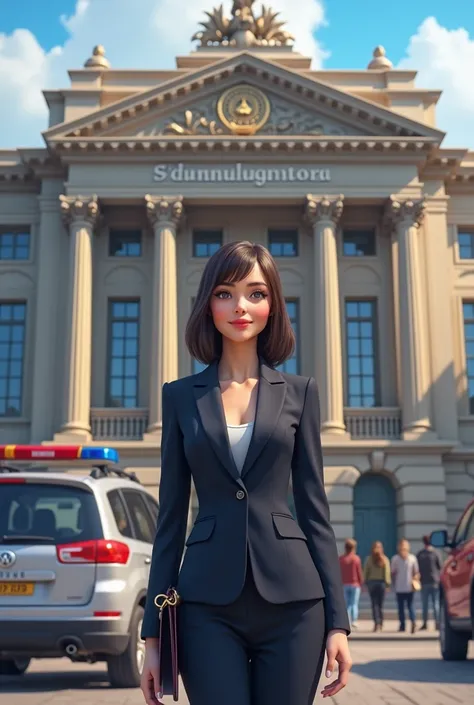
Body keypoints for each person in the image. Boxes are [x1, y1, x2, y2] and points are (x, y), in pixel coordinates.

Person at [140, 241, 352, 705]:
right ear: (208, 305)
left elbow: (315, 513)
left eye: (255, 293)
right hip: (205, 606)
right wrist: (152, 638)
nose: (240, 306)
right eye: (225, 293)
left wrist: (338, 622)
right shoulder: (180, 397)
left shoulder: (300, 393)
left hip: (295, 606)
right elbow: (170, 521)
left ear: (272, 305)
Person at [391, 539, 420, 634]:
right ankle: (413, 622)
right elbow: (416, 572)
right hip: (409, 586)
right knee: (410, 606)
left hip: (400, 587)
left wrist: (392, 583)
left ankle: (403, 625)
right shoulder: (412, 558)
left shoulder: (395, 559)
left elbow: (393, 573)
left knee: (401, 608)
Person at [363, 541, 391, 632]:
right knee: (380, 605)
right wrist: (387, 584)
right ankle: (381, 623)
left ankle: (376, 623)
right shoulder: (385, 559)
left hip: (372, 583)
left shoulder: (369, 559)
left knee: (374, 604)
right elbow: (386, 573)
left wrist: (365, 582)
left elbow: (366, 571)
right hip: (381, 583)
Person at [416, 535, 442, 630]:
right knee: (435, 604)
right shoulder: (435, 553)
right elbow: (440, 567)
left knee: (425, 605)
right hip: (434, 581)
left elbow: (417, 568)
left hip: (425, 581)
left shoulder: (420, 554)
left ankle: (425, 623)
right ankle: (437, 623)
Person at [339, 538, 363, 629]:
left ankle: (347, 620)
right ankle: (354, 620)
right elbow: (359, 572)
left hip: (344, 584)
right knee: (354, 603)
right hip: (355, 584)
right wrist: (361, 582)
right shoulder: (356, 559)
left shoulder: (341, 559)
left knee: (347, 604)